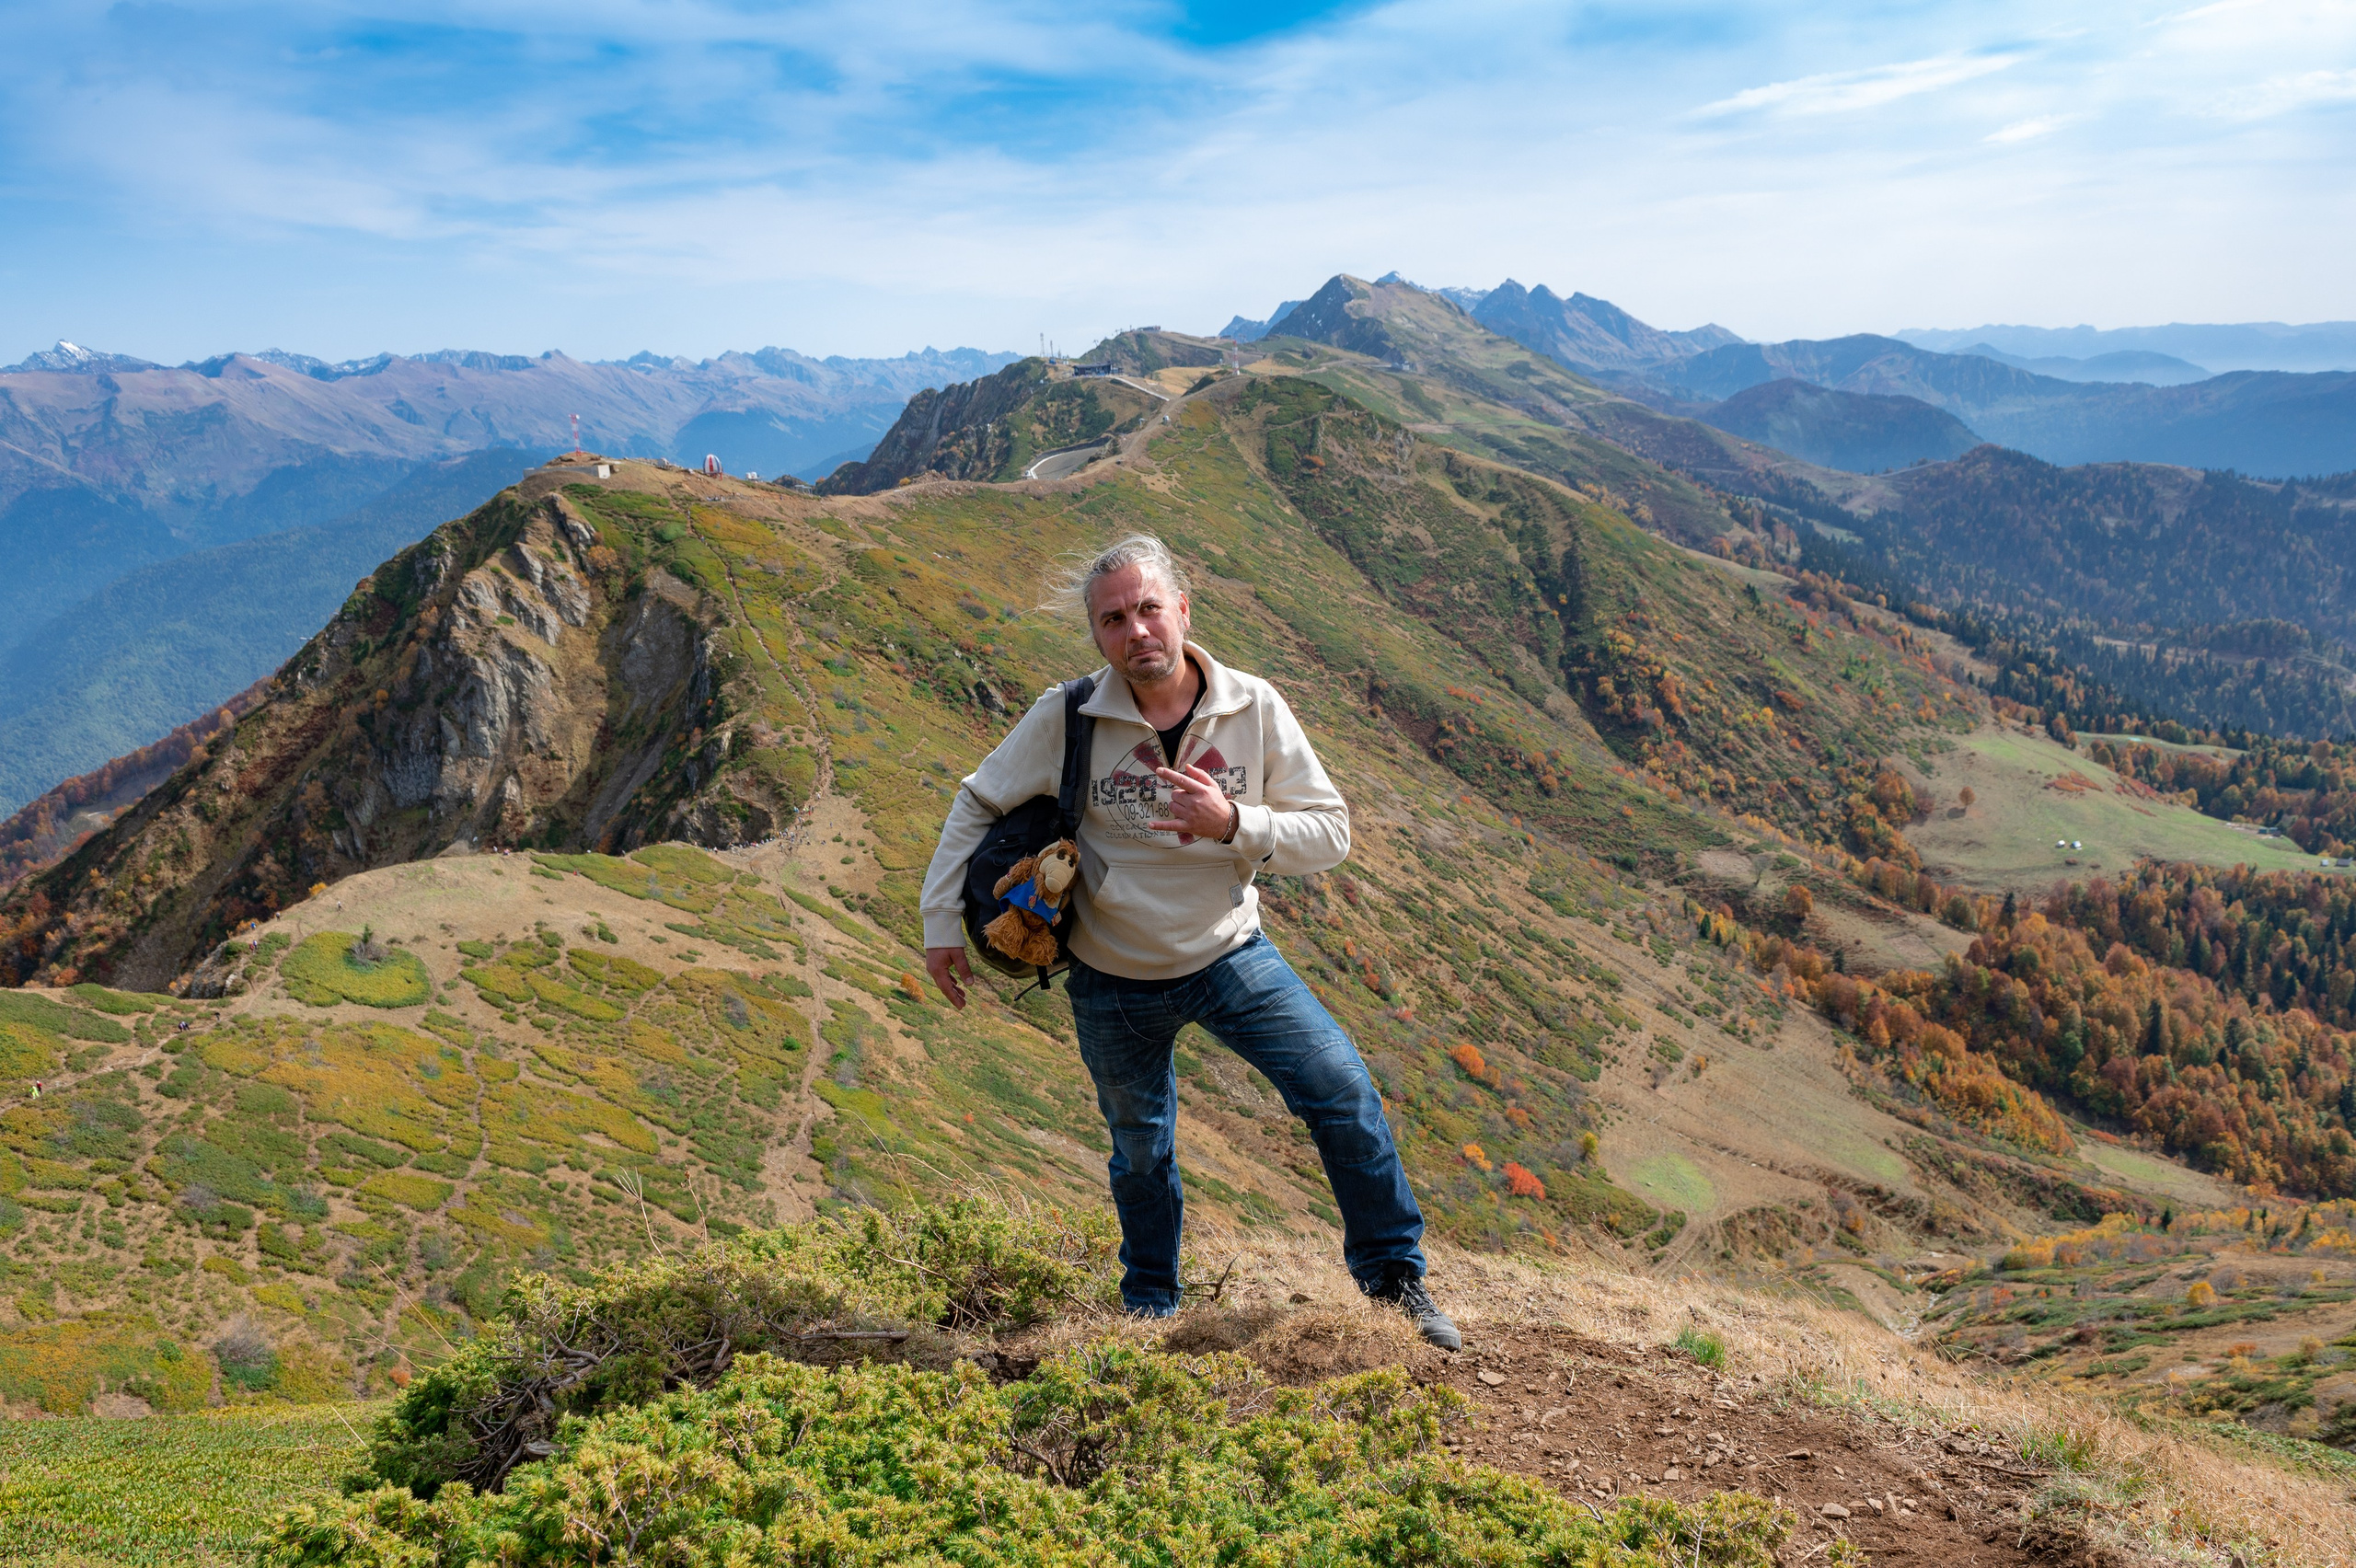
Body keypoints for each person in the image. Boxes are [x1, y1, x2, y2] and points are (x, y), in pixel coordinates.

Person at [920, 534, 1460, 1349]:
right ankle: (1150, 1309)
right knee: (1141, 1150)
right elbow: (975, 803)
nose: (1135, 631)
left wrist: (1237, 823)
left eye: (1146, 608)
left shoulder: (1253, 706)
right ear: (1097, 635)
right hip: (1110, 975)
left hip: (1229, 955)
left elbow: (1332, 833)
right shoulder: (1068, 715)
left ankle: (1394, 1281)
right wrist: (937, 926)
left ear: (1181, 609)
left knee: (1340, 1091)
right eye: (1112, 619)